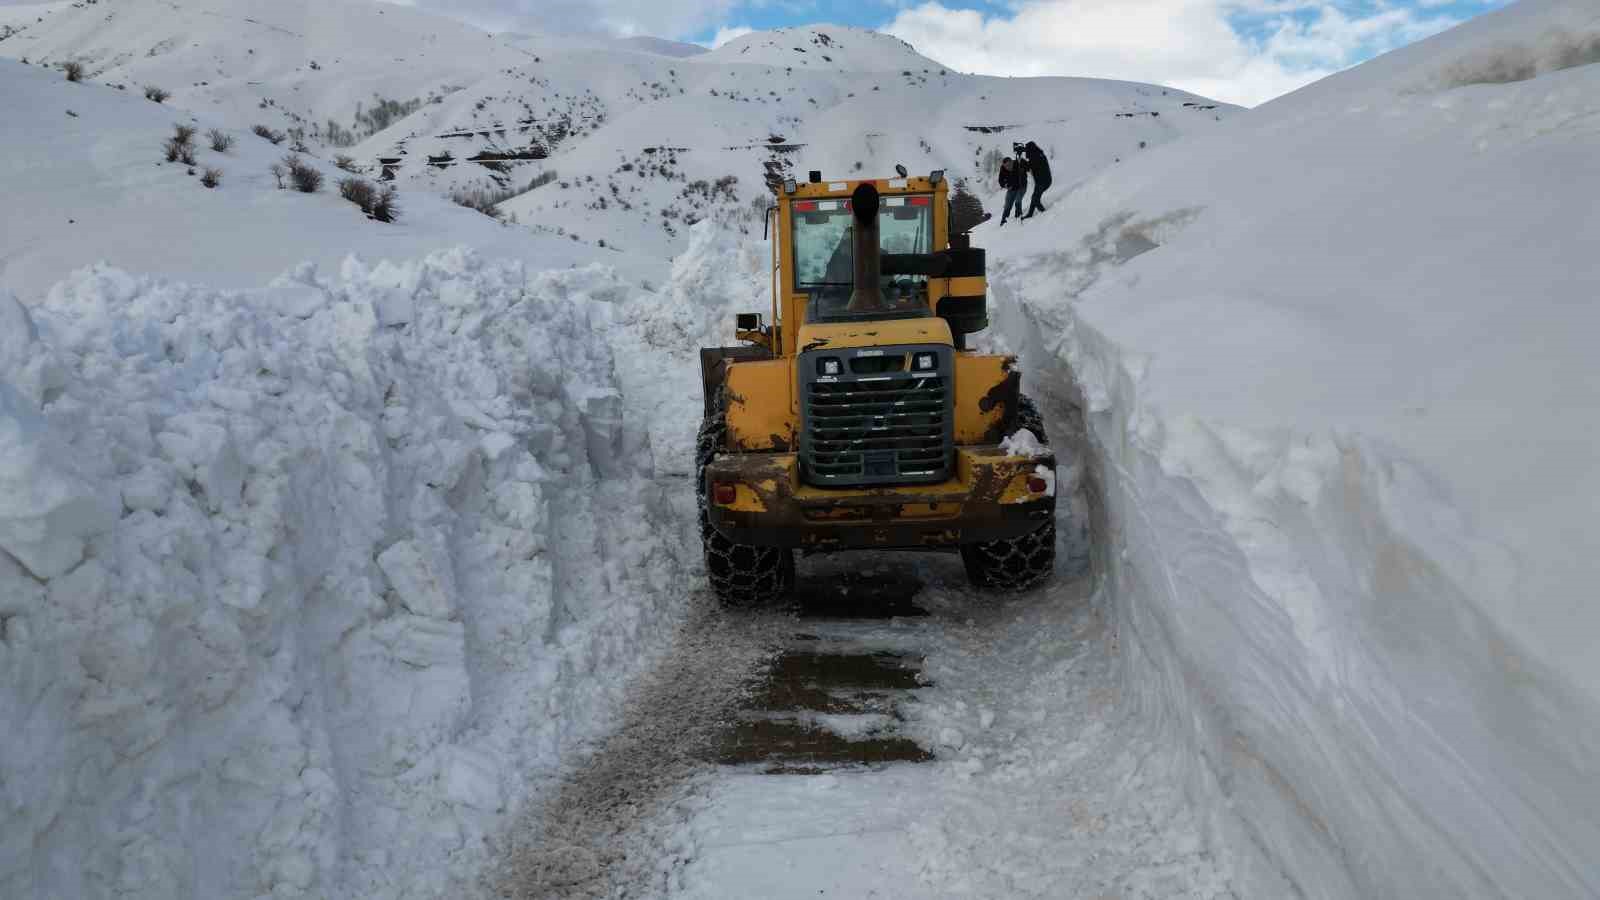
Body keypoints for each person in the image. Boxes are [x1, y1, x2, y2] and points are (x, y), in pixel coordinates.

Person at [1022, 140, 1051, 219]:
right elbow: (1032, 167)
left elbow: (1030, 168)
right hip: (1043, 180)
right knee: (1035, 197)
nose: (1026, 152)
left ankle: (1044, 213)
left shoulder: (1036, 157)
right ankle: (1030, 214)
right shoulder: (1038, 154)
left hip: (1043, 181)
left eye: (1027, 150)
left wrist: (1023, 162)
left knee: (1035, 199)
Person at [998, 155, 1027, 225]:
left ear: (1012, 162)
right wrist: (1005, 185)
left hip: (1021, 187)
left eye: (1009, 165)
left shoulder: (1018, 164)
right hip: (1011, 188)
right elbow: (1000, 180)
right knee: (1007, 205)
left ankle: (1018, 217)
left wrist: (1023, 168)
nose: (1007, 167)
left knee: (1018, 200)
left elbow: (1027, 168)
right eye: (1005, 166)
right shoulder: (1003, 169)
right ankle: (1003, 221)